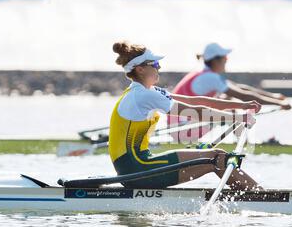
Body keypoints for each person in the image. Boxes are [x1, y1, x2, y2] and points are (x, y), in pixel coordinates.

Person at [109, 40, 263, 190]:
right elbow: (196, 112)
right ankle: (262, 196)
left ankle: (254, 196)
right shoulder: (143, 95)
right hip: (137, 170)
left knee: (218, 157)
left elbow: (195, 101)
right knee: (217, 159)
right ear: (140, 69)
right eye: (155, 64)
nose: (159, 67)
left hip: (138, 167)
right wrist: (238, 118)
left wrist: (243, 105)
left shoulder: (147, 91)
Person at [170, 42, 291, 141]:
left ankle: (241, 141)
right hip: (181, 130)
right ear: (215, 61)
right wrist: (279, 104)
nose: (227, 60)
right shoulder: (210, 77)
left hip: (182, 125)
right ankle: (242, 144)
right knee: (229, 105)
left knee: (226, 100)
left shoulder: (207, 74)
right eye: (225, 57)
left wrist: (274, 97)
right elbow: (243, 96)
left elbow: (242, 88)